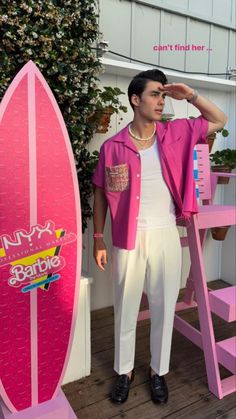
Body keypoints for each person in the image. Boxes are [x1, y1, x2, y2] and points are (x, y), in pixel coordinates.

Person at [92, 69, 227, 405]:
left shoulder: (177, 133)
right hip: (127, 239)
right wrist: (97, 237)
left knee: (165, 306)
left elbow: (219, 119)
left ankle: (158, 372)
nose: (161, 101)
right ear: (135, 99)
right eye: (155, 94)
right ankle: (124, 372)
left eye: (163, 95)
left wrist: (190, 95)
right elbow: (99, 193)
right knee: (125, 306)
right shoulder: (113, 147)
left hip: (166, 232)